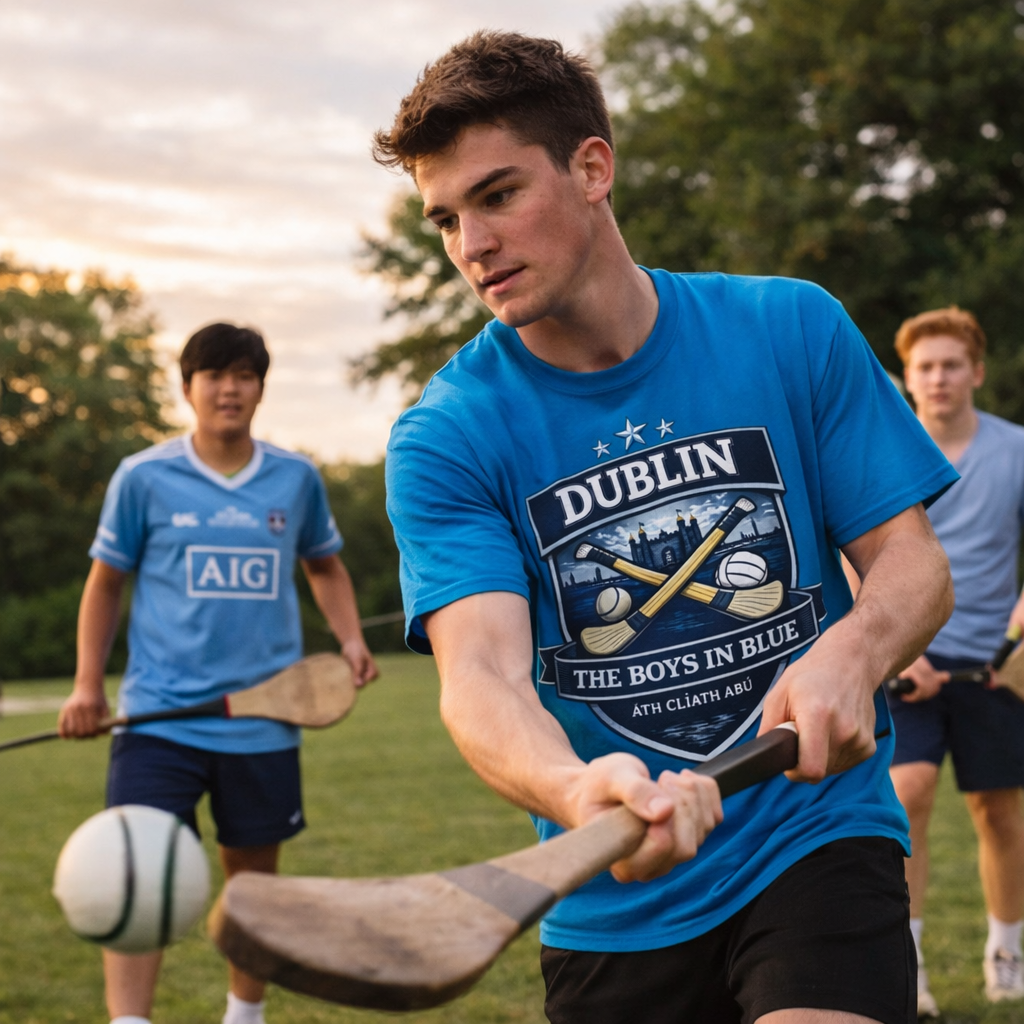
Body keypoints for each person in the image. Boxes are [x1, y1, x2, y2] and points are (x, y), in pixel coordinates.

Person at [378, 31, 957, 1024]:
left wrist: (849, 655)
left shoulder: (790, 329)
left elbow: (910, 561)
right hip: (613, 902)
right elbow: (480, 675)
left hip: (812, 832)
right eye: (444, 217)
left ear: (592, 167)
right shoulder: (447, 434)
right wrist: (573, 788)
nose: (470, 245)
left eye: (498, 195)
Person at [58, 323, 378, 1024]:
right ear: (187, 387)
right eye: (214, 375)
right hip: (157, 718)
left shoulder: (295, 479)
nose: (229, 389)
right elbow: (105, 584)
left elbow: (323, 566)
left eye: (244, 375)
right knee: (134, 877)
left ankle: (244, 1016)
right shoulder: (143, 477)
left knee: (253, 891)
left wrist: (350, 639)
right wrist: (88, 685)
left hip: (264, 719)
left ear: (261, 388)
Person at [882, 307, 1024, 1016]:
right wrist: (897, 650)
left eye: (949, 364)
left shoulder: (1016, 450)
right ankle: (908, 973)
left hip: (994, 667)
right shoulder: (882, 446)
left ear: (977, 372)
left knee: (998, 813)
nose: (937, 377)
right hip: (908, 664)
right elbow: (854, 552)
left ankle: (1007, 955)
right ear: (907, 378)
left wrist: (1021, 630)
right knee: (905, 800)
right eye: (924, 366)